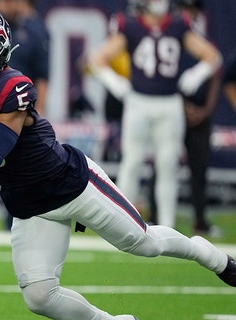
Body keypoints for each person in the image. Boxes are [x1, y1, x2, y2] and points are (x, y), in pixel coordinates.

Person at [0, 7, 236, 319]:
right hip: (29, 203)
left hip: (72, 185)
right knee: (40, 297)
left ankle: (211, 257)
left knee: (145, 243)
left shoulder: (12, 87)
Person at [89, 0, 222, 229]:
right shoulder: (130, 25)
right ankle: (120, 224)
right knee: (132, 163)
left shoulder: (179, 25)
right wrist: (113, 81)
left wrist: (198, 73)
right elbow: (97, 58)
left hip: (169, 103)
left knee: (168, 165)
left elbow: (213, 56)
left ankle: (166, 226)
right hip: (138, 102)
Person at [0, 0, 50, 230]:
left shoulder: (34, 30)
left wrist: (39, 110)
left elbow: (43, 75)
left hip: (18, 112)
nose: (5, 4)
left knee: (17, 170)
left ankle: (12, 223)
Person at [148, 0, 223, 236]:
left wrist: (205, 110)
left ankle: (200, 220)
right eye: (186, 10)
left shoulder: (201, 40)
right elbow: (163, 78)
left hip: (199, 116)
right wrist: (180, 106)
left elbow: (215, 76)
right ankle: (154, 216)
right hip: (172, 111)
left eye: (193, 10)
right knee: (162, 164)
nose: (189, 14)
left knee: (199, 169)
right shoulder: (172, 38)